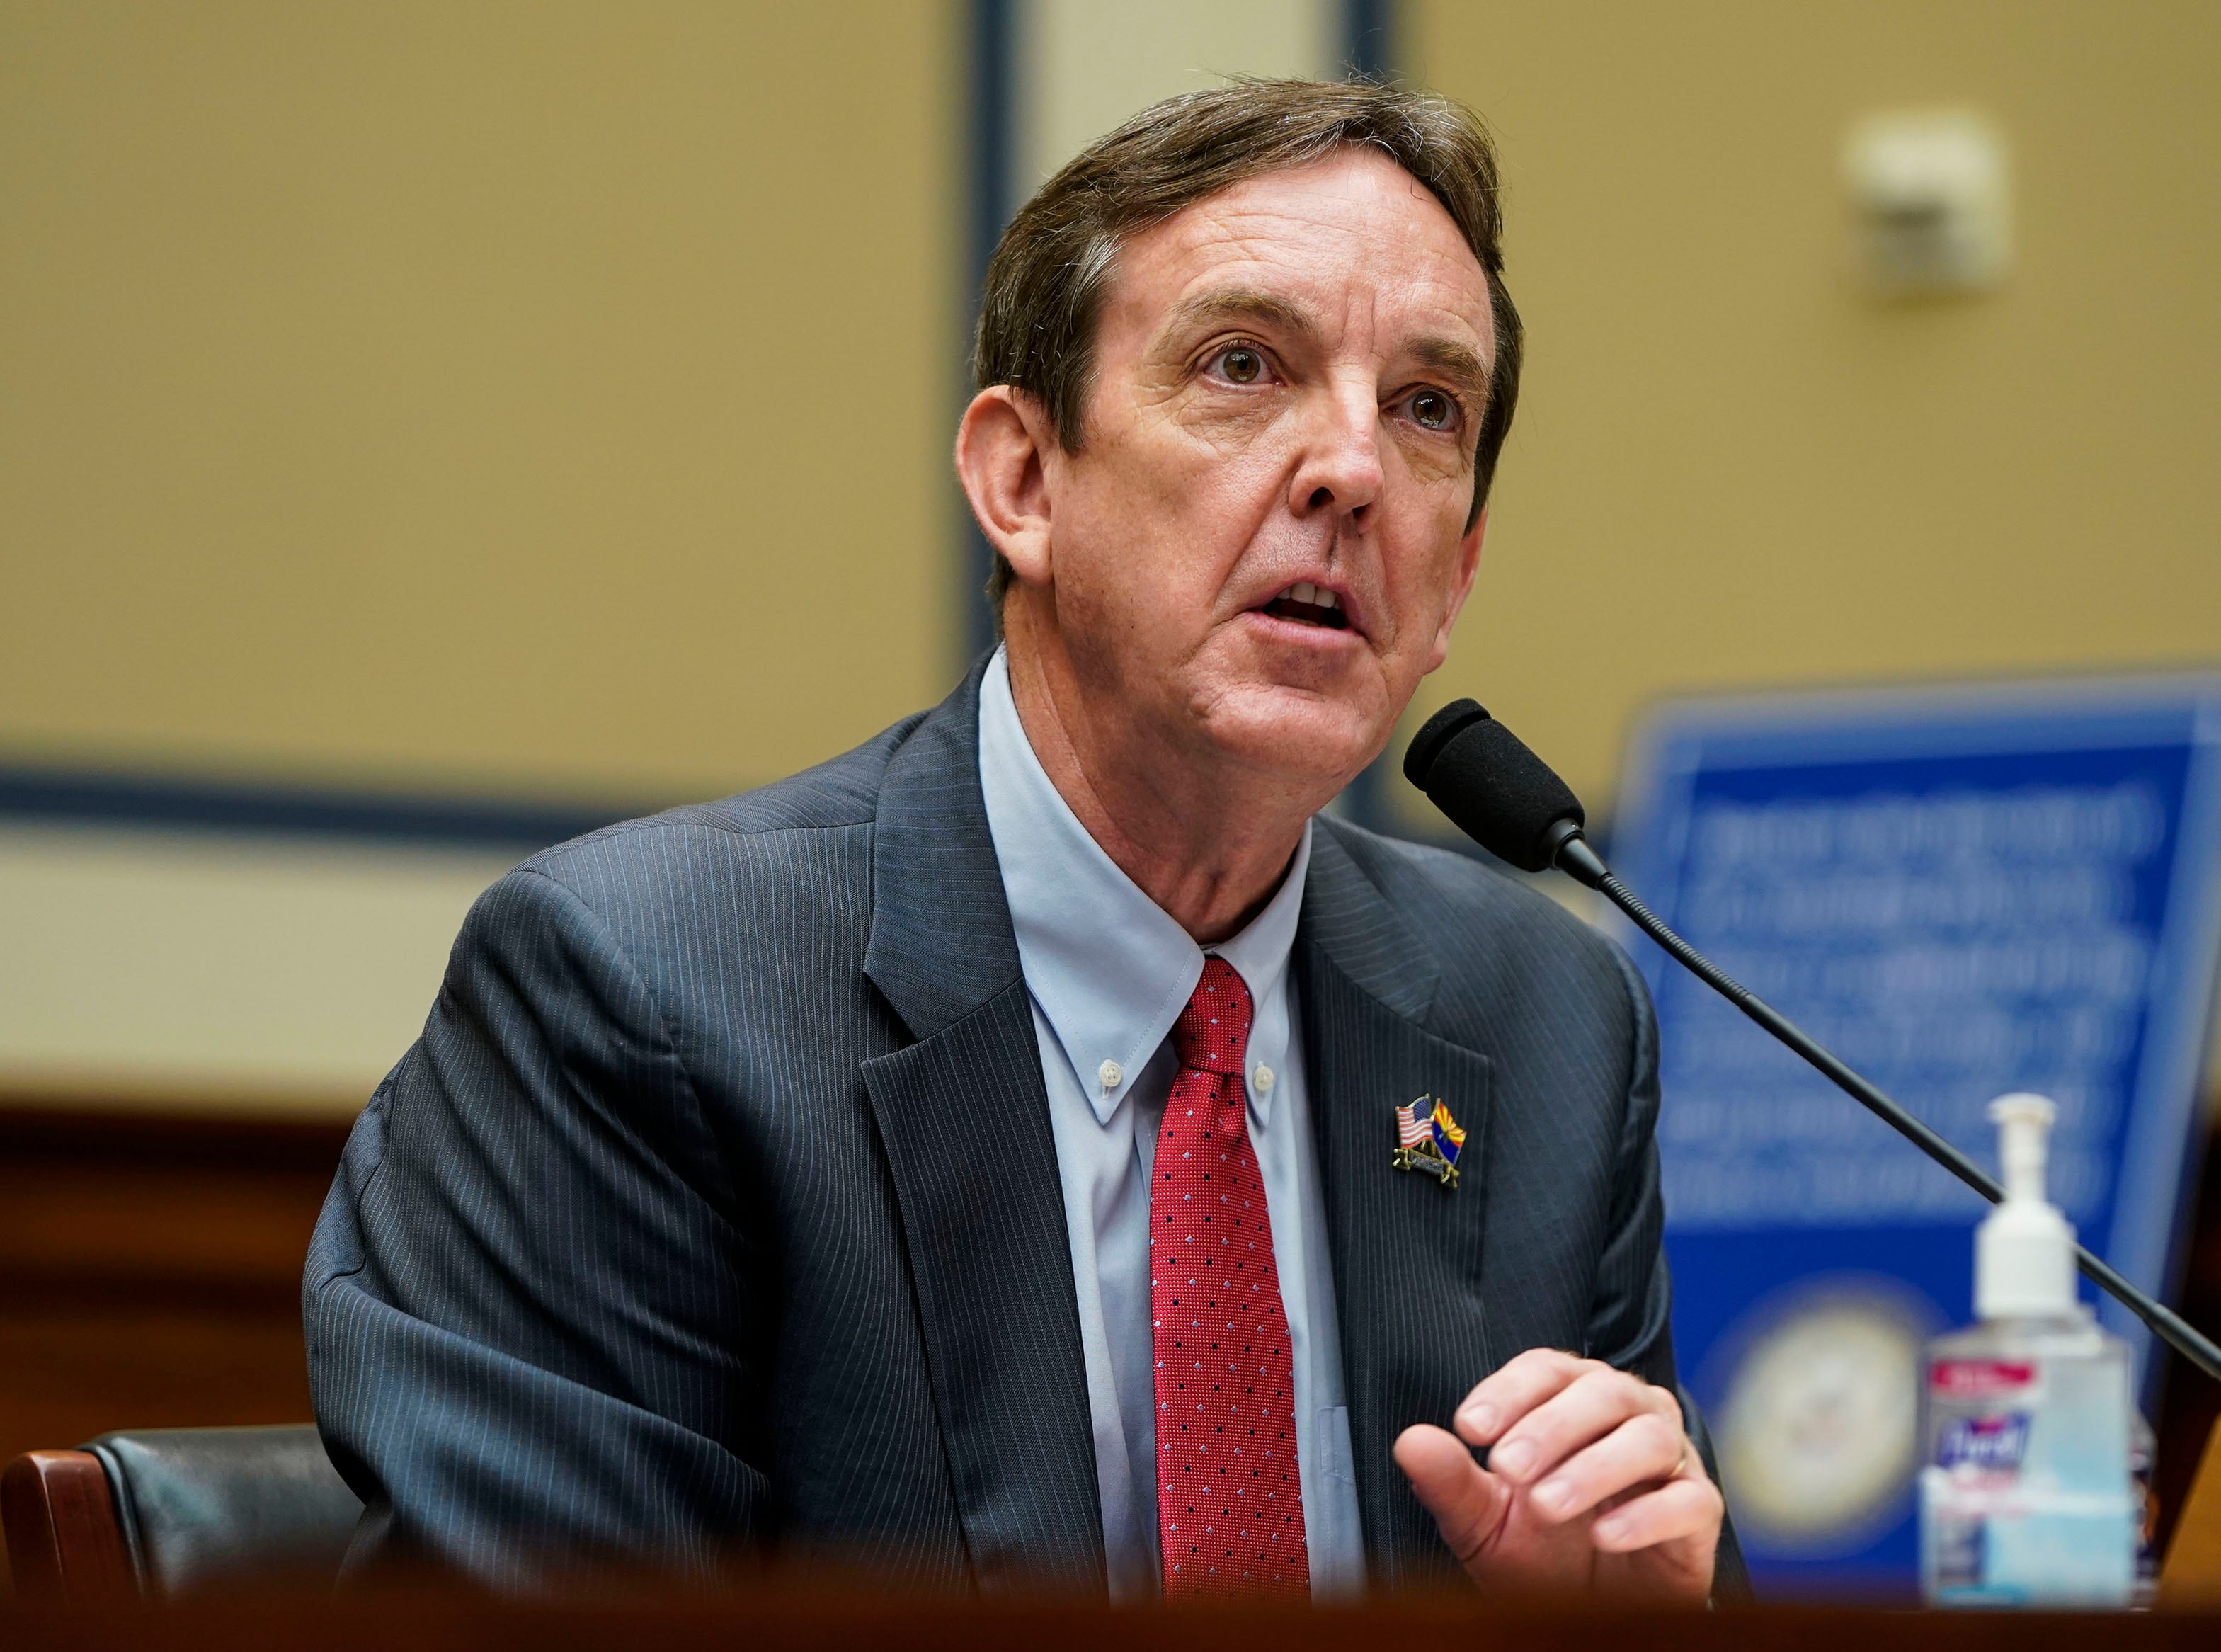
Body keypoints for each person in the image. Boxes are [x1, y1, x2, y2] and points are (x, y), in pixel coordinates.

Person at [307, 79, 1745, 1605]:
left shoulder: (1540, 1015)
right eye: (1243, 366)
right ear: (1021, 481)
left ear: (1452, 584)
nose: (1352, 473)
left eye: (1425, 408)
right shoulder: (643, 995)